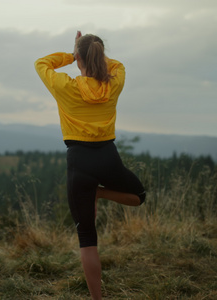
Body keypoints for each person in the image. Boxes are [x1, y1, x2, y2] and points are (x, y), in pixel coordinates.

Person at [34, 31, 146, 300]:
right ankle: (101, 193)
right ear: (101, 56)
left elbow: (41, 63)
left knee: (87, 237)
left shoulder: (66, 86)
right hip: (108, 156)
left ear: (80, 59)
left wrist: (73, 54)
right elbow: (118, 65)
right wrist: (92, 53)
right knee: (139, 197)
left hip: (79, 162)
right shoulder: (114, 83)